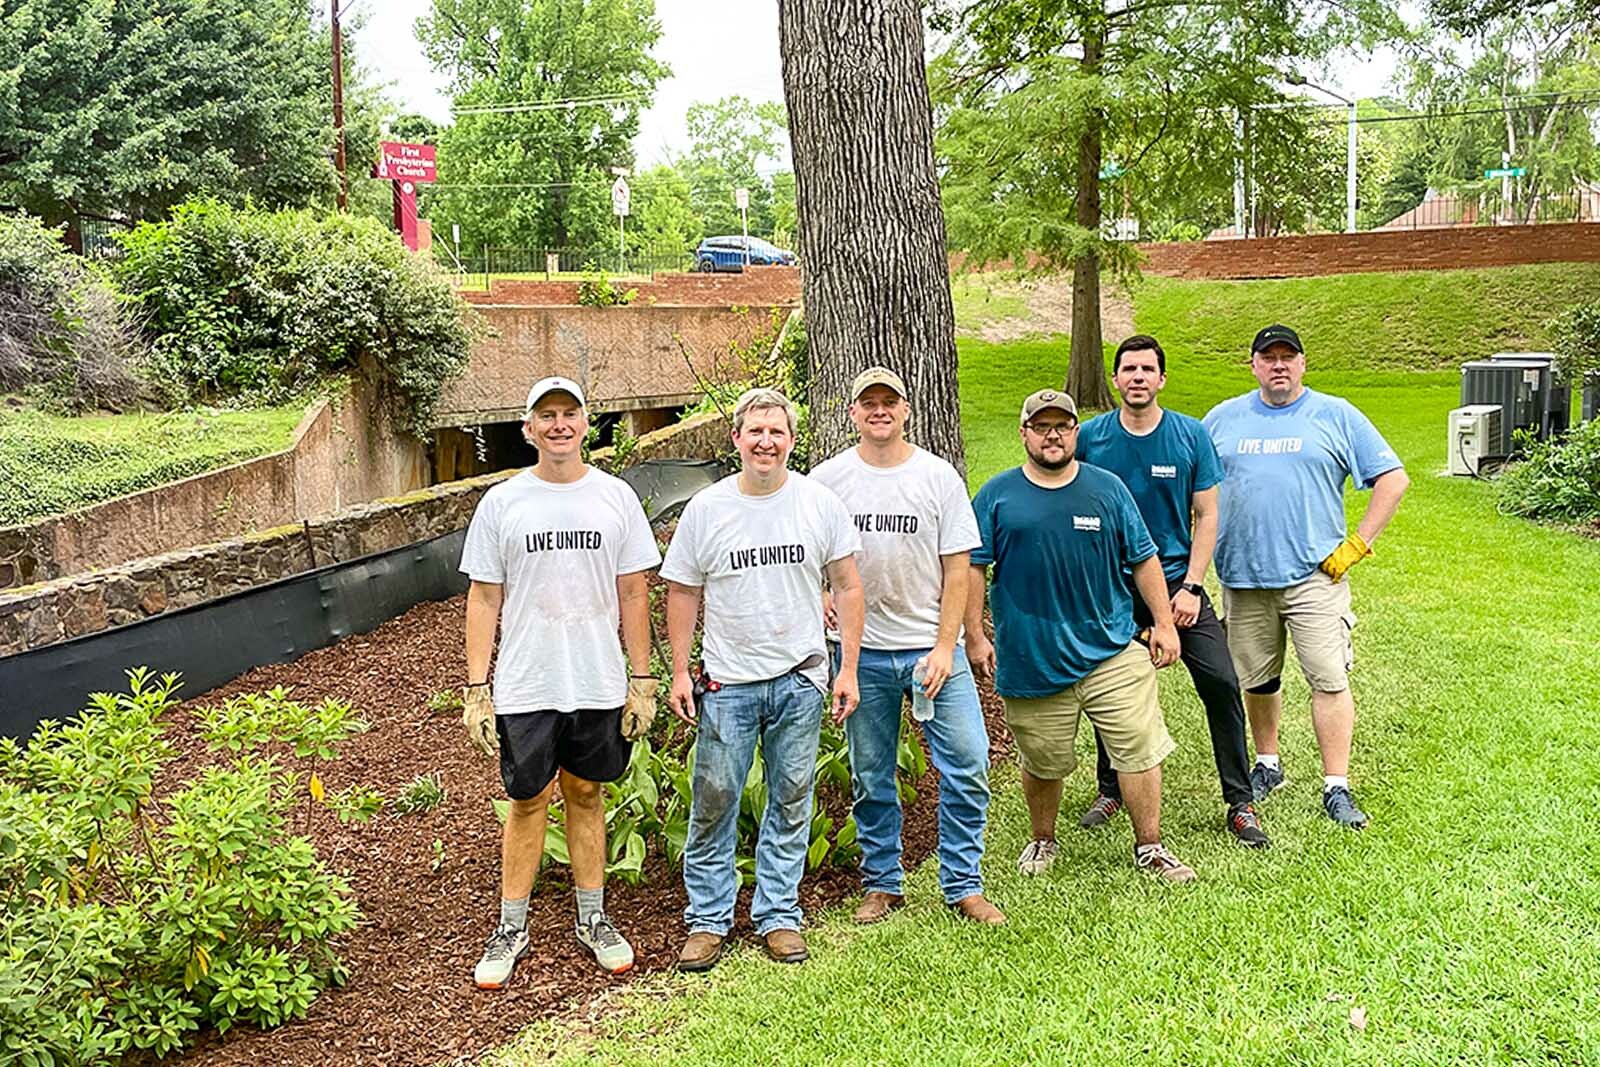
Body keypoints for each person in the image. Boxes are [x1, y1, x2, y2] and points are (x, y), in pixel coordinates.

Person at [458, 376, 661, 989]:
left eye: (569, 413)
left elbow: (633, 590)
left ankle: (593, 919)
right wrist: (476, 688)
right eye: (545, 416)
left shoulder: (615, 498)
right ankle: (511, 928)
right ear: (527, 429)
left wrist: (643, 679)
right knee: (526, 802)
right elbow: (484, 596)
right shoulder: (503, 503)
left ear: (584, 423)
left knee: (587, 794)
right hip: (526, 681)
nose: (558, 425)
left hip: (596, 678)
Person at [661, 387, 865, 971]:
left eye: (776, 432)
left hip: (800, 678)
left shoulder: (818, 503)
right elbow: (682, 590)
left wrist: (846, 667)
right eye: (755, 432)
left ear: (791, 440)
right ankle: (707, 919)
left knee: (792, 798)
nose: (766, 442)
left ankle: (778, 914)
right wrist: (680, 670)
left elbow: (848, 585)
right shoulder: (708, 509)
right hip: (728, 684)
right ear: (737, 440)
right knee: (715, 799)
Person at [966, 387, 1197, 883]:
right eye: (1042, 426)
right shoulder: (996, 496)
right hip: (1033, 658)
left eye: (1063, 425)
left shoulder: (1108, 489)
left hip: (1111, 650)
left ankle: (1150, 847)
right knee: (1044, 760)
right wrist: (974, 635)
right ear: (1024, 433)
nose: (1053, 435)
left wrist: (1161, 622)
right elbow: (973, 567)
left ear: (1076, 432)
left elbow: (1143, 558)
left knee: (1138, 746)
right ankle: (1042, 840)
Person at [811, 367, 1006, 926]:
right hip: (861, 655)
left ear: (906, 410)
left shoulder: (937, 476)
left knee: (967, 763)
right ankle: (883, 882)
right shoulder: (827, 480)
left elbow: (961, 567)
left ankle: (963, 884)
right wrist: (820, 591)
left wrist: (949, 646)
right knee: (872, 774)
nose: (879, 411)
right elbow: (803, 547)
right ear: (851, 412)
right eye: (867, 402)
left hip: (929, 650)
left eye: (888, 402)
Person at [1203, 325, 1409, 829]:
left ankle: (1336, 786)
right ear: (1252, 364)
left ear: (1302, 364)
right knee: (1256, 677)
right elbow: (1196, 485)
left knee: (1328, 678)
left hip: (1316, 577)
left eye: (1287, 357)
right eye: (1267, 357)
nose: (1278, 365)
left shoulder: (1335, 414)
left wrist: (1357, 544)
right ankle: (1267, 764)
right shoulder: (1222, 419)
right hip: (1243, 575)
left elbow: (1393, 478)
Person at [1074, 336, 1270, 848]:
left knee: (1222, 681)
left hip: (1179, 587)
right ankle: (1111, 788)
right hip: (1112, 591)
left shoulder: (1189, 436)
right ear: (1115, 380)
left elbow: (1207, 515)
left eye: (1147, 369)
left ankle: (1240, 800)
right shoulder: (1092, 439)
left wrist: (1191, 587)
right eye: (1128, 369)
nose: (1137, 377)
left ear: (1162, 379)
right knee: (1110, 687)